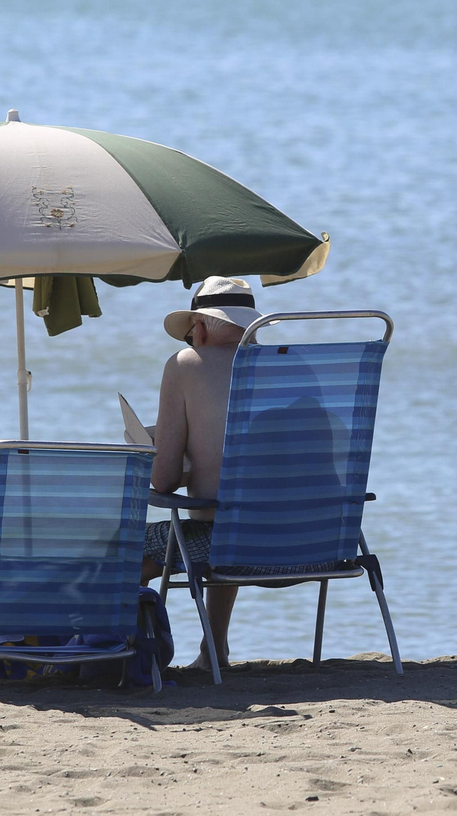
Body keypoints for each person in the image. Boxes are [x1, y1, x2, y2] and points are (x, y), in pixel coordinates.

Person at [140, 275, 263, 669]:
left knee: (127, 549)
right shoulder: (292, 365)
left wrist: (156, 450)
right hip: (315, 540)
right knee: (231, 517)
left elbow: (163, 481)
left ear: (201, 328)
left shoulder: (186, 366)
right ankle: (214, 650)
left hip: (227, 546)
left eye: (190, 333)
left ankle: (129, 656)